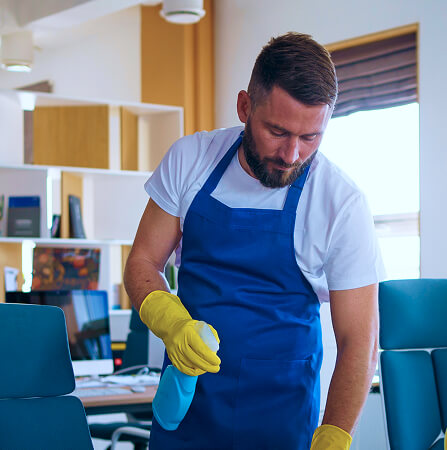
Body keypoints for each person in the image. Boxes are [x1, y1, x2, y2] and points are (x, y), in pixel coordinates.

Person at [124, 31, 385, 449]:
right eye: (277, 131)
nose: (292, 154)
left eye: (310, 137)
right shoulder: (191, 159)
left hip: (282, 421)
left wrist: (335, 435)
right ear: (245, 105)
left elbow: (360, 340)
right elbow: (141, 262)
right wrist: (171, 324)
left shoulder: (341, 202)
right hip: (189, 409)